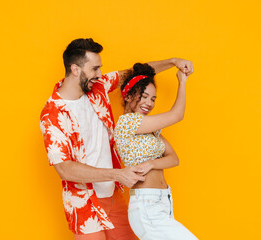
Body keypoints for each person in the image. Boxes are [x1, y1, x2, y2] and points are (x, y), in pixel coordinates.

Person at [40, 38, 193, 240]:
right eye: (94, 68)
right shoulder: (52, 114)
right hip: (84, 203)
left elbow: (133, 75)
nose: (100, 74)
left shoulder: (98, 87)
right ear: (75, 69)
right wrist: (117, 174)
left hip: (113, 197)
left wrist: (173, 62)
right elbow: (65, 168)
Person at [114, 63, 198, 240]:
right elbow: (177, 115)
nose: (149, 103)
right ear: (128, 96)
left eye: (153, 99)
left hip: (163, 201)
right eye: (144, 96)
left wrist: (151, 163)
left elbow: (174, 159)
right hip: (147, 205)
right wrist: (182, 82)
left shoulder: (150, 129)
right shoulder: (127, 122)